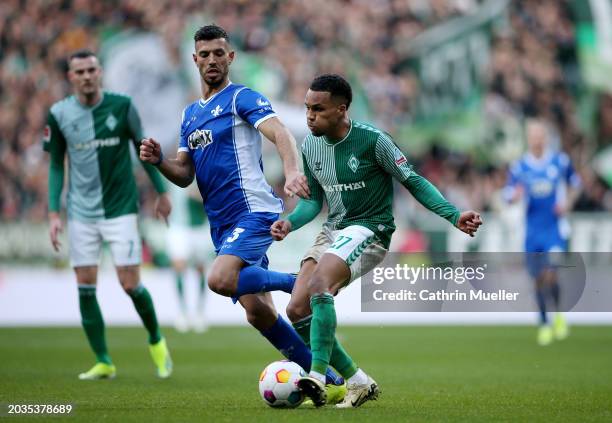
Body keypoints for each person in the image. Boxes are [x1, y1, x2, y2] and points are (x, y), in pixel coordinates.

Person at [139, 25, 346, 400]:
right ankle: (330, 381)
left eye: (219, 53)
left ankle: (295, 280)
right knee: (259, 314)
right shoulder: (189, 116)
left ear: (230, 57)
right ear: (195, 60)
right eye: (205, 55)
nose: (212, 61)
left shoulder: (241, 98)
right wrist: (158, 163)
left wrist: (293, 171)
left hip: (252, 212)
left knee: (219, 279)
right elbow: (185, 175)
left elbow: (281, 133)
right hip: (222, 226)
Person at [271, 74, 483, 407]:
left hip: (371, 230)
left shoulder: (374, 141)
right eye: (307, 108)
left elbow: (412, 180)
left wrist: (453, 214)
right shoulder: (310, 146)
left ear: (342, 110)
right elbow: (313, 202)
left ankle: (316, 375)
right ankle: (359, 382)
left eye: (318, 109)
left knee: (320, 286)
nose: (310, 116)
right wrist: (289, 222)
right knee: (297, 308)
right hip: (333, 230)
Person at [43, 50, 173, 380]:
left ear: (100, 72)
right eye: (80, 71)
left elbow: (144, 151)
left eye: (91, 70)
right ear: (71, 77)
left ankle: (156, 341)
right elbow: (57, 164)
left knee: (130, 283)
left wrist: (161, 191)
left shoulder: (122, 106)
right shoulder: (58, 114)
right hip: (80, 213)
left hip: (120, 209)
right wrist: (53, 213)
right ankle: (103, 360)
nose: (87, 76)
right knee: (84, 285)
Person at [504, 119, 581, 346]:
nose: (537, 139)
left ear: (545, 138)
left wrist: (567, 203)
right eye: (533, 135)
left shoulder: (559, 161)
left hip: (554, 230)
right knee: (537, 279)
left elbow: (576, 184)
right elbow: (507, 195)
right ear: (528, 139)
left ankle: (557, 314)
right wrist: (514, 196)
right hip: (531, 231)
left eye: (540, 135)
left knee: (551, 273)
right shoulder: (520, 167)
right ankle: (544, 323)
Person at [167, 182, 211, 333]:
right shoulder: (172, 170)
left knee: (200, 269)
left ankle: (199, 312)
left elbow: (208, 199)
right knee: (179, 267)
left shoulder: (201, 171)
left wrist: (197, 194)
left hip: (199, 228)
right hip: (179, 227)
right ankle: (182, 312)